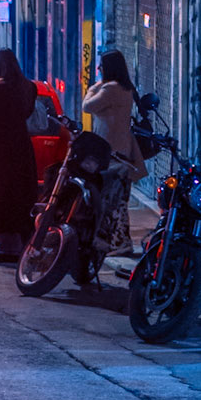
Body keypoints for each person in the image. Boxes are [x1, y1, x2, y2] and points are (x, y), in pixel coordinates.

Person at [0, 47, 39, 263]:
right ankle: (21, 240)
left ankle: (7, 245)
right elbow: (28, 112)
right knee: (20, 192)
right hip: (21, 144)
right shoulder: (28, 87)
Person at [82, 49, 139, 257]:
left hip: (111, 152)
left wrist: (93, 87)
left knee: (111, 199)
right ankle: (118, 241)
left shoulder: (110, 89)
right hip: (122, 152)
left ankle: (118, 242)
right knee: (119, 199)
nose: (99, 70)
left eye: (101, 67)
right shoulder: (125, 88)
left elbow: (87, 106)